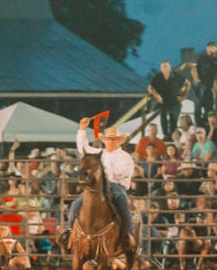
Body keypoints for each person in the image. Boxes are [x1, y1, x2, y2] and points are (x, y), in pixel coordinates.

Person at [59, 119, 135, 247]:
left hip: (116, 186)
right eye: (108, 139)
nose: (110, 141)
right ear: (104, 141)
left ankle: (129, 234)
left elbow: (123, 172)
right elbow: (83, 148)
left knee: (123, 203)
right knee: (75, 204)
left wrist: (103, 173)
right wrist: (82, 129)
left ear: (117, 141)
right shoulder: (100, 154)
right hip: (98, 186)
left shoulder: (125, 157)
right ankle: (69, 232)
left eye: (113, 139)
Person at [148, 61, 190, 140]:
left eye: (166, 66)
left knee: (173, 122)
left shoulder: (177, 75)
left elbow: (188, 83)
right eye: (162, 67)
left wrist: (184, 96)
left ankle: (172, 138)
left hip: (175, 101)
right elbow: (150, 88)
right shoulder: (158, 76)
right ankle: (166, 136)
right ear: (161, 68)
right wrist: (157, 95)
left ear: (170, 67)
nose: (164, 68)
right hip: (163, 102)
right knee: (163, 119)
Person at [191, 41, 217, 127]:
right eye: (209, 47)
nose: (211, 48)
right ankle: (198, 126)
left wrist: (216, 86)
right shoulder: (202, 57)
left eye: (213, 47)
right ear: (207, 48)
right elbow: (193, 69)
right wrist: (197, 81)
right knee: (198, 108)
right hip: (200, 86)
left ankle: (205, 125)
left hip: (209, 87)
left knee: (209, 109)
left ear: (216, 49)